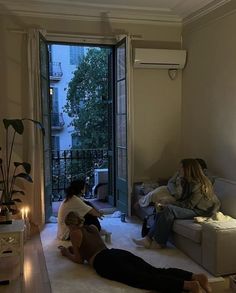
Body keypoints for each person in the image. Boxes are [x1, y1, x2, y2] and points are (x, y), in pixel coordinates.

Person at [58, 211, 212, 293]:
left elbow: (79, 259)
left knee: (143, 279)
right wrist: (74, 248)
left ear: (70, 225)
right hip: (116, 253)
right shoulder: (91, 228)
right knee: (154, 270)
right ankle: (195, 276)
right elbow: (90, 245)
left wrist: (66, 252)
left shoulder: (74, 233)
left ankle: (188, 285)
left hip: (103, 262)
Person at [133, 159, 221, 249]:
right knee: (162, 207)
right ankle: (148, 239)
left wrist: (172, 204)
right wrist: (167, 202)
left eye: (181, 168)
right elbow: (183, 199)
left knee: (168, 209)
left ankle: (160, 243)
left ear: (188, 170)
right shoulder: (186, 181)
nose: (179, 170)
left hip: (202, 211)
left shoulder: (200, 184)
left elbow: (189, 205)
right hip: (193, 207)